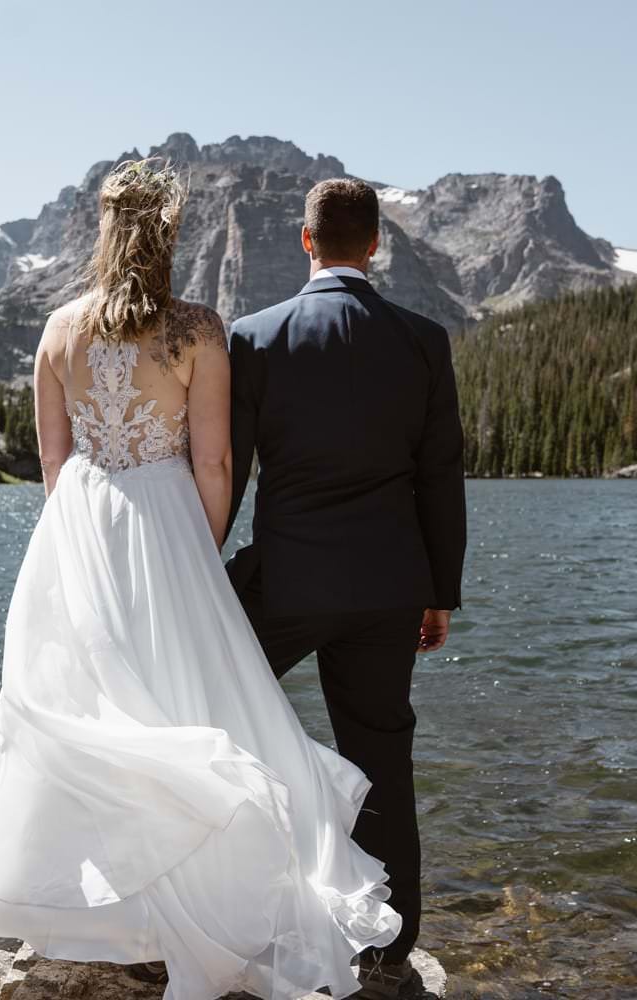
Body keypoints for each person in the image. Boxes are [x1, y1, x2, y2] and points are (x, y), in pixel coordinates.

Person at [0, 159, 404, 1000]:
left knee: (90, 707)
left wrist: (82, 541)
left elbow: (54, 463)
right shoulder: (196, 330)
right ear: (167, 241)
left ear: (103, 236)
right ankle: (190, 905)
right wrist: (193, 554)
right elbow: (216, 460)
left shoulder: (58, 330)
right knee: (178, 698)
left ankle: (100, 907)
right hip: (167, 520)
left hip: (79, 527)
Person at [226, 178, 467, 999]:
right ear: (375, 247)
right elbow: (440, 477)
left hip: (286, 581)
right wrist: (438, 592)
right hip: (389, 586)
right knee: (382, 754)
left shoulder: (255, 338)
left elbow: (228, 473)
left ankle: (228, 909)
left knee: (212, 716)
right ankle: (390, 947)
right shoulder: (423, 340)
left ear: (305, 242)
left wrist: (197, 574)